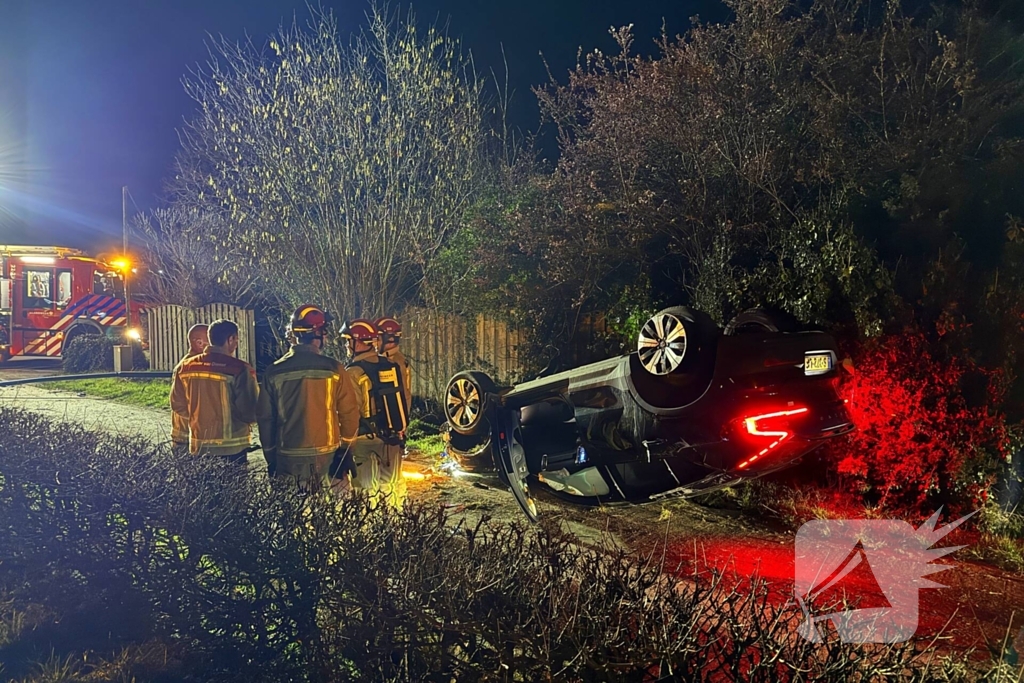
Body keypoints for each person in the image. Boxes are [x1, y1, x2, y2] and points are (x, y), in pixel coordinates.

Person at [256, 305, 360, 491]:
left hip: (288, 457)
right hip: (329, 458)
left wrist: (271, 457)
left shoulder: (274, 372)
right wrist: (346, 451)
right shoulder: (334, 369)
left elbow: (265, 419)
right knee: (334, 515)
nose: (326, 338)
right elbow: (349, 413)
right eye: (325, 332)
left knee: (294, 516)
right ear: (318, 334)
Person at [341, 318, 408, 509]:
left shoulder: (353, 372)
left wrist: (346, 444)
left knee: (366, 491)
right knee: (392, 487)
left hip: (365, 441)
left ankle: (371, 534)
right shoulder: (391, 365)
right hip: (392, 438)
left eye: (349, 341)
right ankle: (398, 530)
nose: (347, 345)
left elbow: (351, 411)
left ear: (360, 342)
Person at [170, 319, 258, 464]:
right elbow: (249, 410)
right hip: (232, 447)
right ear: (231, 339)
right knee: (233, 485)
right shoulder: (239, 368)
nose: (236, 343)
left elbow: (177, 404)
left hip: (198, 446)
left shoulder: (185, 367)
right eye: (236, 339)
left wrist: (201, 418)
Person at [170, 324, 210, 454]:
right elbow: (178, 404)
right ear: (199, 343)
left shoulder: (192, 364)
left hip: (187, 435)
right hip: (185, 438)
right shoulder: (188, 367)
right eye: (210, 341)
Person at [375, 317, 412, 417]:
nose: (375, 342)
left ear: (390, 339)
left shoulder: (395, 363)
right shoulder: (389, 358)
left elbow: (401, 396)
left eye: (378, 338)